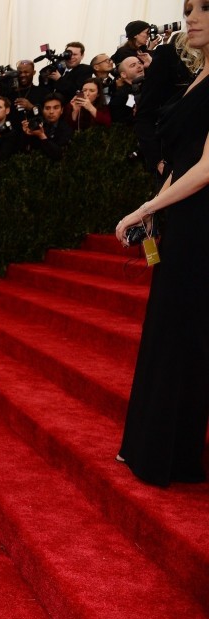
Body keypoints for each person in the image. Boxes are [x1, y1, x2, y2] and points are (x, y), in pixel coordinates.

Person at [113, 9, 209, 488]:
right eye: (189, 8)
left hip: (202, 222)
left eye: (205, 8)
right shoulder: (196, 79)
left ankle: (173, 457)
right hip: (184, 217)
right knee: (168, 328)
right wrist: (153, 204)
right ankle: (154, 449)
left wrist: (142, 208)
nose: (192, 17)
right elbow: (183, 155)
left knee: (183, 332)